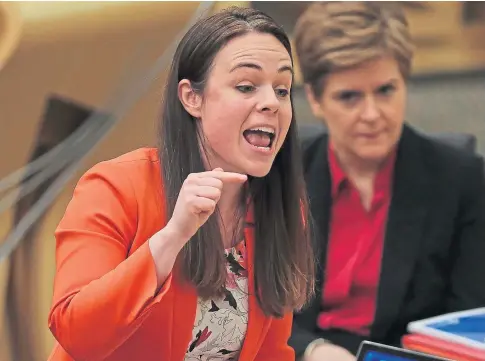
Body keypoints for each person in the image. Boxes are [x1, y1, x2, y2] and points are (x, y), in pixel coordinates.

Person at [47, 6, 315, 361]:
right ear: (192, 97)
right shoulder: (114, 186)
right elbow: (75, 332)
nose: (271, 103)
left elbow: (270, 353)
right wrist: (172, 236)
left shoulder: (279, 208)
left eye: (282, 90)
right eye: (246, 86)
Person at [289, 2, 485, 361]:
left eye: (385, 90)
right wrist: (314, 350)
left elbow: (465, 323)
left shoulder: (463, 179)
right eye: (349, 96)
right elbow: (255, 303)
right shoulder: (283, 175)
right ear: (315, 99)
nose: (372, 114)